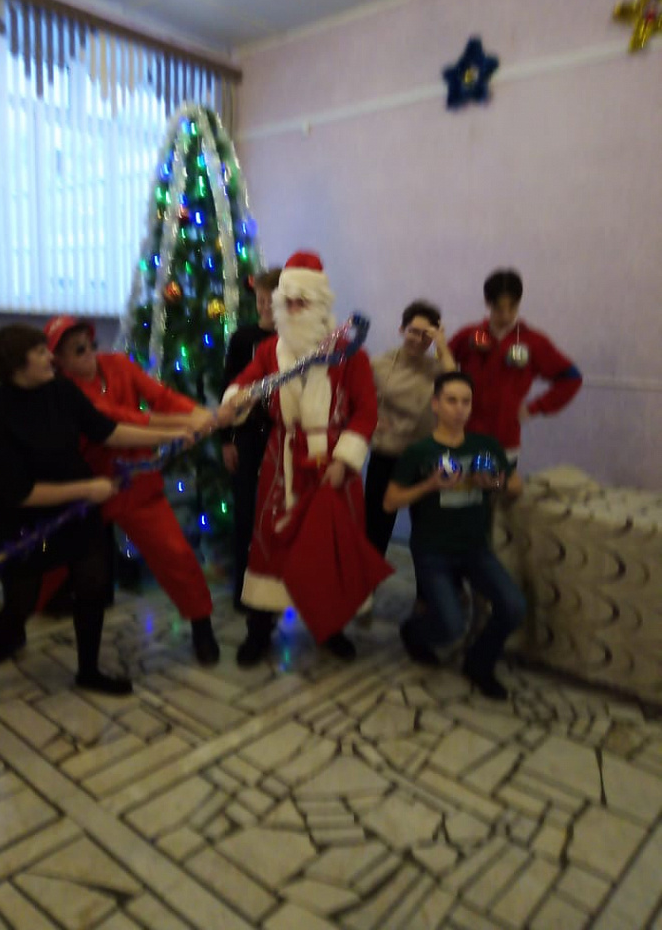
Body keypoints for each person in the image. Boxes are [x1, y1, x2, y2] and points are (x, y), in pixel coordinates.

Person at [0, 324, 196, 707]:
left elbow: (108, 432)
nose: (50, 357)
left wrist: (167, 436)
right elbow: (21, 494)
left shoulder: (61, 390)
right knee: (20, 604)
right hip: (28, 527)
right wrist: (88, 490)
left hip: (78, 515)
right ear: (16, 366)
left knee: (92, 586)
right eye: (40, 353)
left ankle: (88, 670)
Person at [223, 251, 391, 667]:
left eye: (302, 302)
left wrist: (344, 460)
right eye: (288, 302)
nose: (294, 309)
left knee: (330, 547)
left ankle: (331, 626)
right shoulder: (269, 352)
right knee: (271, 541)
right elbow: (244, 385)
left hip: (334, 465)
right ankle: (259, 628)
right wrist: (236, 400)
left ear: (319, 304)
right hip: (283, 461)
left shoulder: (349, 354)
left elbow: (366, 412)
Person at [43, 315, 222, 665]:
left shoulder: (118, 365)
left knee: (176, 554)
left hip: (136, 485)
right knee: (52, 563)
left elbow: (160, 397)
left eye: (87, 341)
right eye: (74, 348)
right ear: (58, 360)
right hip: (88, 489)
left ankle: (202, 626)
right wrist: (188, 424)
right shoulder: (63, 391)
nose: (86, 351)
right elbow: (120, 421)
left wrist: (197, 413)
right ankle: (18, 621)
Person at [383, 371, 526, 700]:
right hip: (433, 551)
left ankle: (479, 663)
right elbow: (390, 501)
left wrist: (496, 483)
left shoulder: (485, 445)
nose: (459, 409)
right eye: (451, 401)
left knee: (514, 607)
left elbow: (516, 486)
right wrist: (429, 485)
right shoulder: (419, 451)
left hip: (476, 549)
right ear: (435, 404)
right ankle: (414, 631)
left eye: (465, 402)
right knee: (450, 627)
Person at [448, 269, 582, 461]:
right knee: (459, 481)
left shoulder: (533, 341)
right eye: (499, 309)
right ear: (487, 303)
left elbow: (572, 378)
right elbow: (439, 366)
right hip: (462, 435)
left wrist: (535, 407)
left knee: (500, 480)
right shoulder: (469, 335)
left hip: (505, 441)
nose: (506, 316)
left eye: (512, 308)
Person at [365, 300, 456, 555]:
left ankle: (426, 581)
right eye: (413, 331)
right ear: (401, 329)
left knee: (426, 530)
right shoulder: (380, 364)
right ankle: (369, 578)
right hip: (386, 454)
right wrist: (371, 421)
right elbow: (358, 401)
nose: (417, 339)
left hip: (423, 458)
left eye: (425, 334)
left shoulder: (436, 369)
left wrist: (441, 346)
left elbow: (456, 384)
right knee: (376, 527)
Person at [220, 268, 282, 610]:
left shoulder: (293, 341)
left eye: (272, 301)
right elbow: (229, 389)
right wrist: (227, 439)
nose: (266, 307)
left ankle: (276, 585)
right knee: (244, 513)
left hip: (280, 436)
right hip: (247, 436)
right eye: (261, 300)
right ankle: (242, 589)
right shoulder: (243, 339)